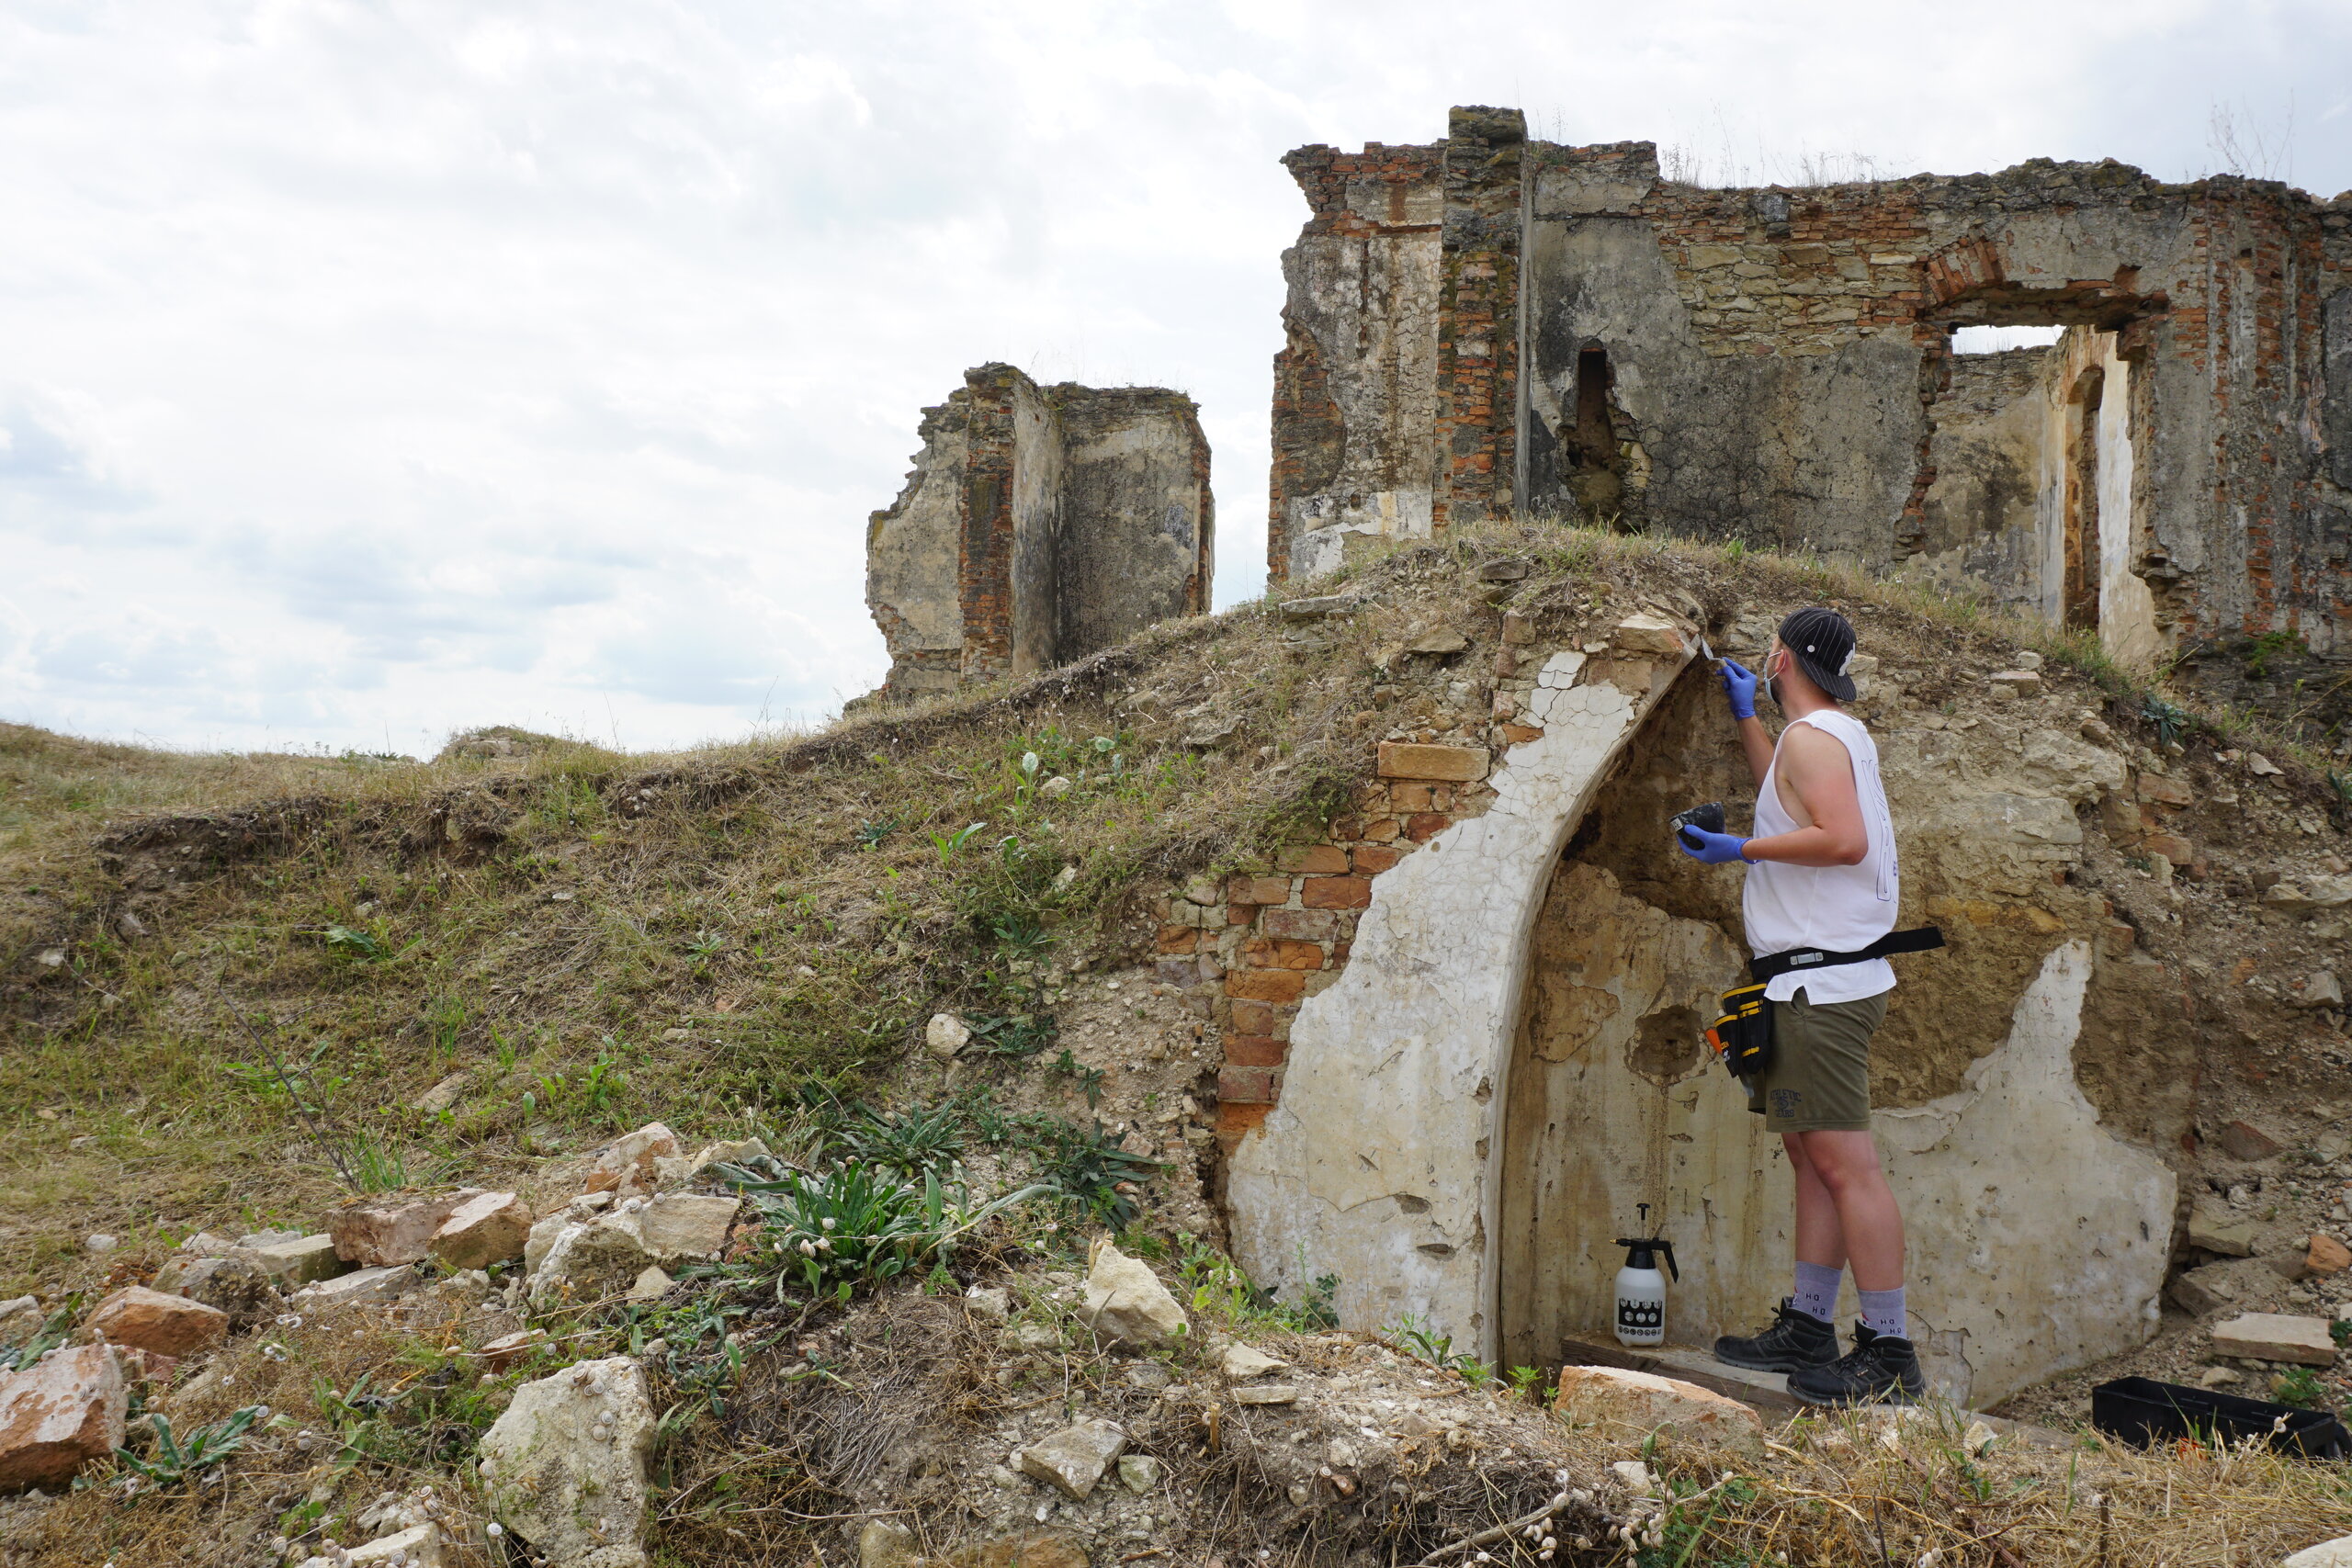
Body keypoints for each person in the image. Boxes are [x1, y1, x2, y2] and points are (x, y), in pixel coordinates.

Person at [1672, 606, 1926, 1406]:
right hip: (1807, 981)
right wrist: (1749, 715)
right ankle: (1812, 1325)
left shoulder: (1817, 741)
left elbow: (1842, 838)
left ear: (1780, 656)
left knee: (1849, 1168)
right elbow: (1786, 798)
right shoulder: (1820, 737)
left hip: (1822, 987)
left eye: (1765, 661)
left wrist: (1736, 848)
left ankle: (1889, 1350)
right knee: (1812, 1160)